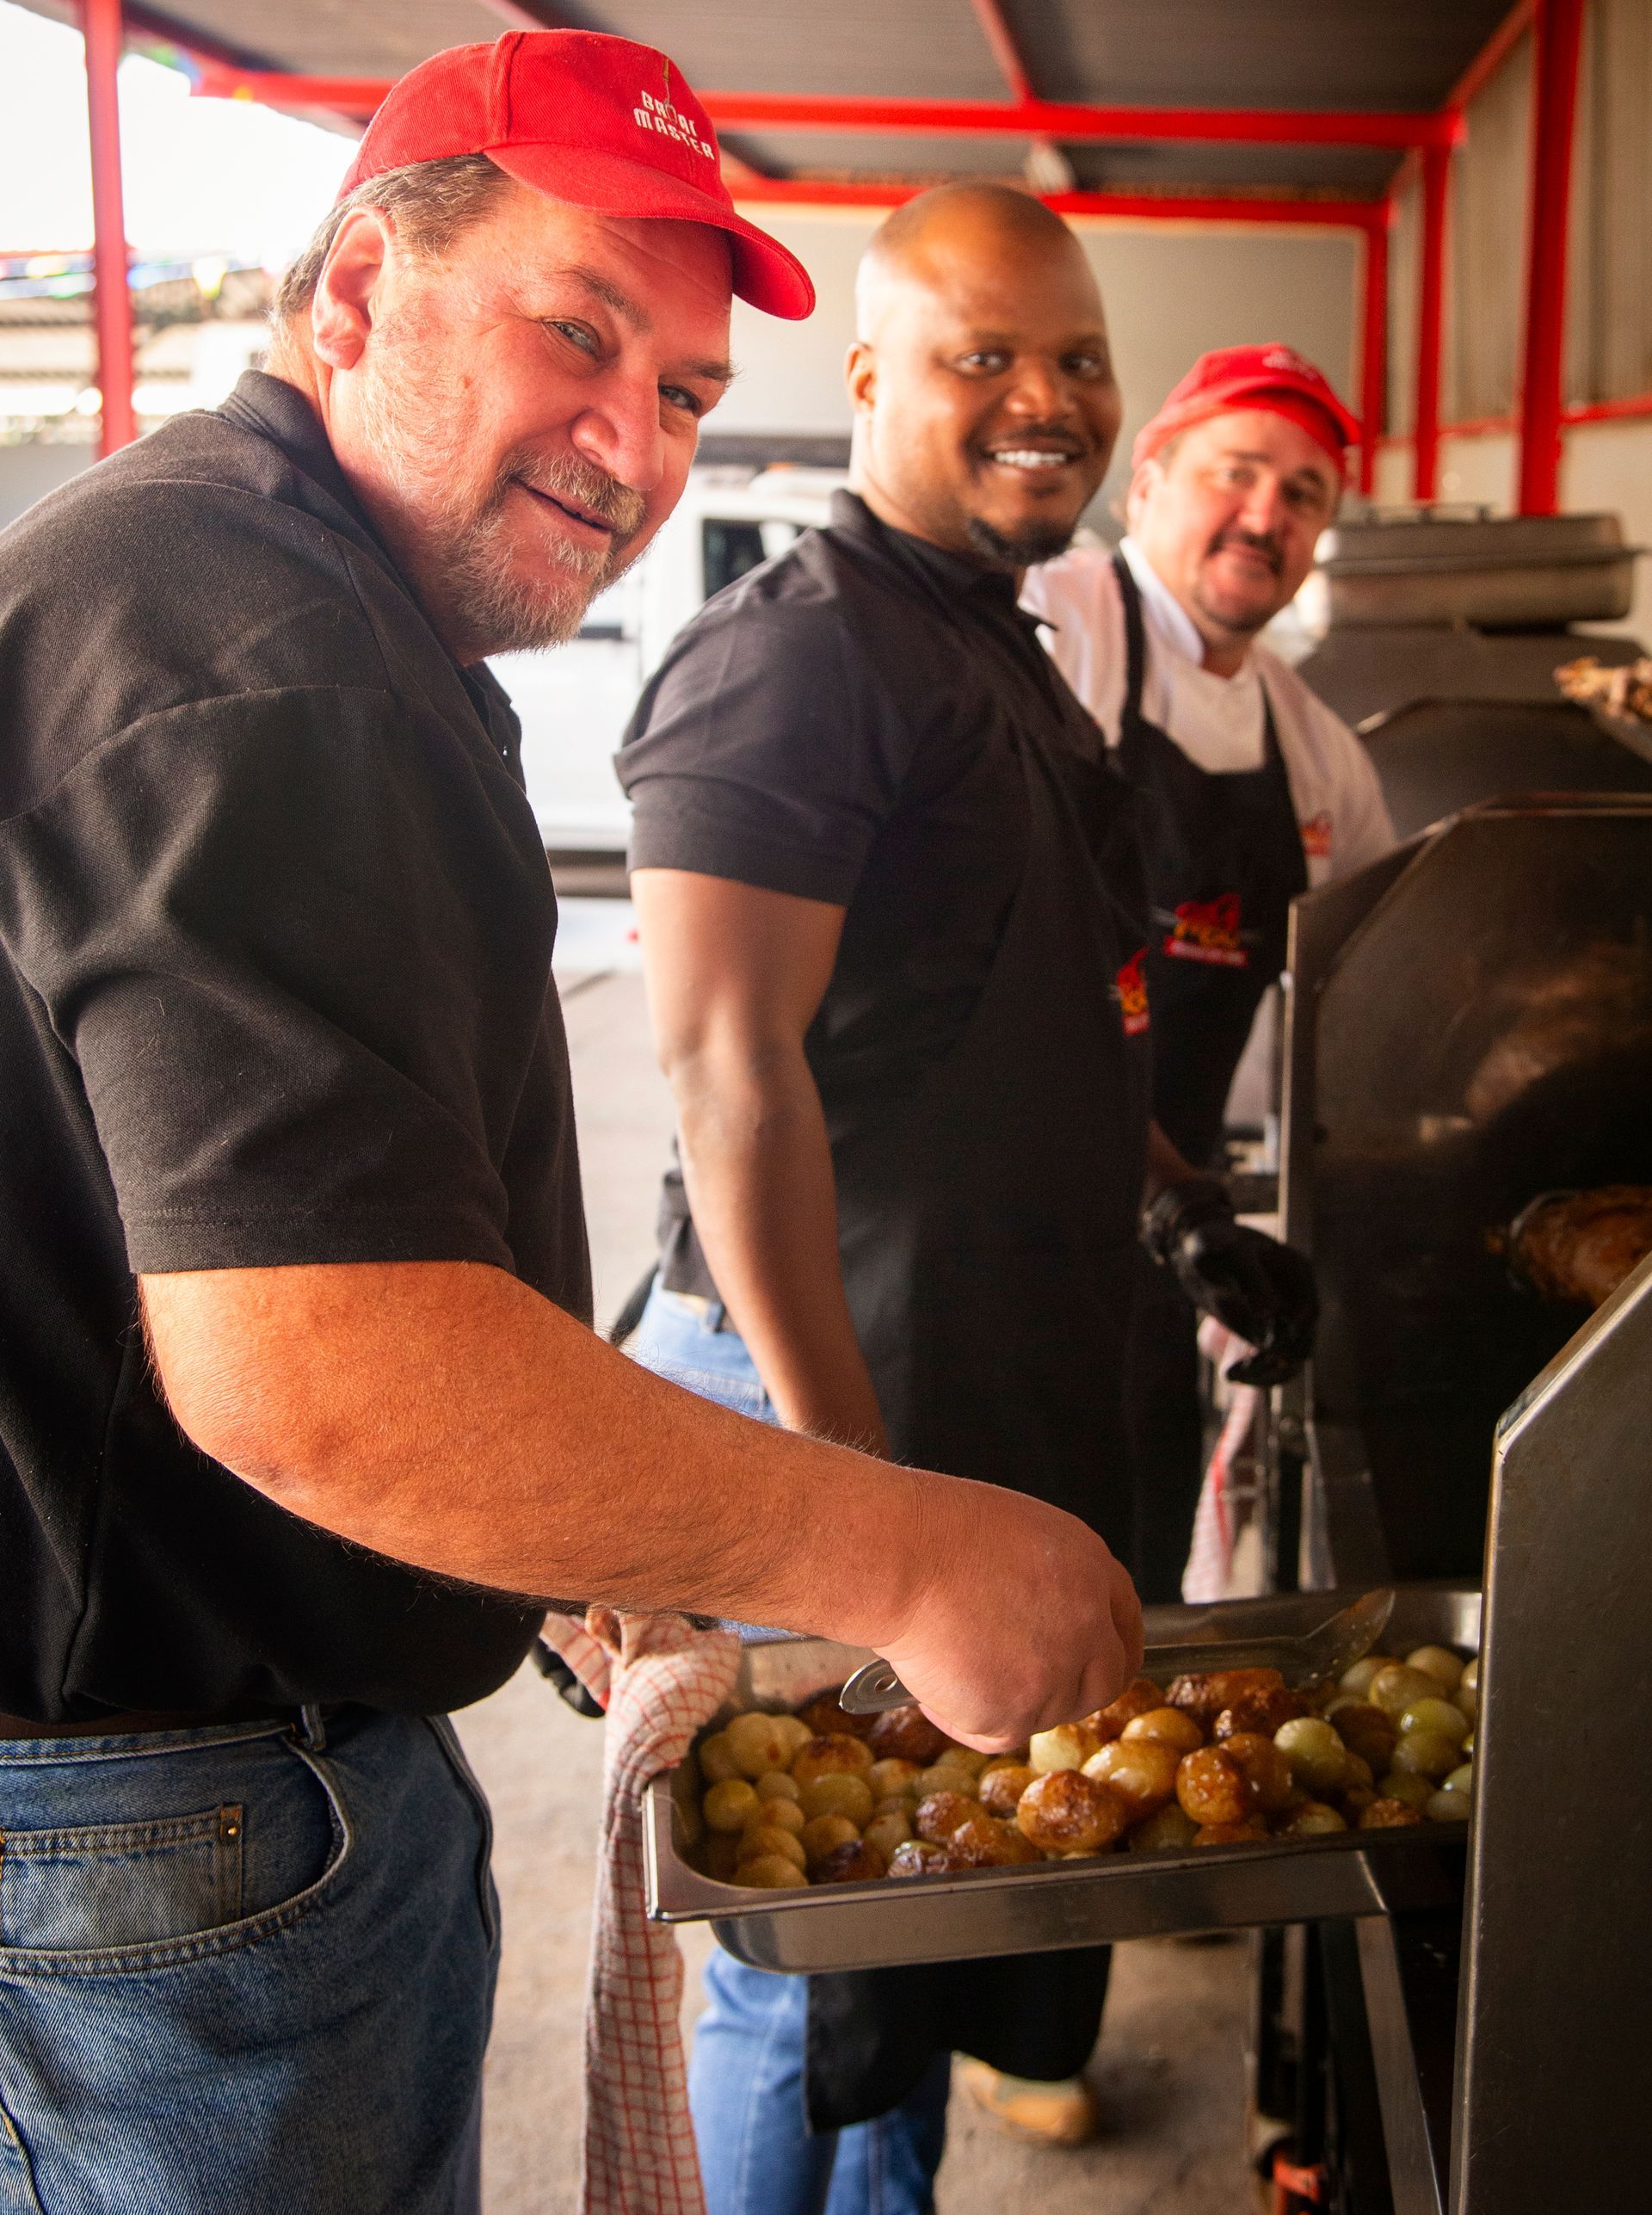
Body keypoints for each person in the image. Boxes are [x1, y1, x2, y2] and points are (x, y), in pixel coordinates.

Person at [0, 40, 1145, 2215]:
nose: (633, 443)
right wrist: (894, 1547)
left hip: (199, 1790)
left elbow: (250, 1236)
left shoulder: (304, 612)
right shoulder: (254, 651)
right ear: (356, 299)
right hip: (162, 1834)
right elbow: (314, 1362)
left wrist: (553, 1539)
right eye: (577, 334)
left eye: (689, 390)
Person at [615, 186, 1318, 2210]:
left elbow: (1060, 1015)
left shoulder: (985, 647)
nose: (1045, 400)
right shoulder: (797, 661)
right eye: (981, 357)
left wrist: (1180, 1210)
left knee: (918, 1908)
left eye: (1077, 359)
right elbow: (728, 1079)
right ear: (865, 381)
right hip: (824, 1378)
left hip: (971, 1364)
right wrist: (849, 1490)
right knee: (806, 1938)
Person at [1025, 346, 1396, 1601]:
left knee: (1126, 1570)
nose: (1267, 515)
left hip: (1162, 1229)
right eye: (1237, 473)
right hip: (990, 1210)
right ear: (1150, 482)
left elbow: (1378, 993)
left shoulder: (1318, 749)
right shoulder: (1047, 628)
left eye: (1303, 495)